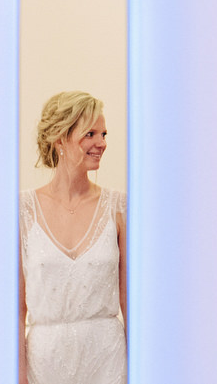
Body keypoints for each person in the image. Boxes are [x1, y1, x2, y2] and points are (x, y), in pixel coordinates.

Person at [20, 92, 127, 384]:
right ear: (60, 138)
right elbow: (15, 310)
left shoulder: (119, 208)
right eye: (90, 134)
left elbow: (130, 300)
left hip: (107, 361)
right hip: (44, 363)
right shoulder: (22, 210)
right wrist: (18, 376)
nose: (102, 143)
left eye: (104, 134)